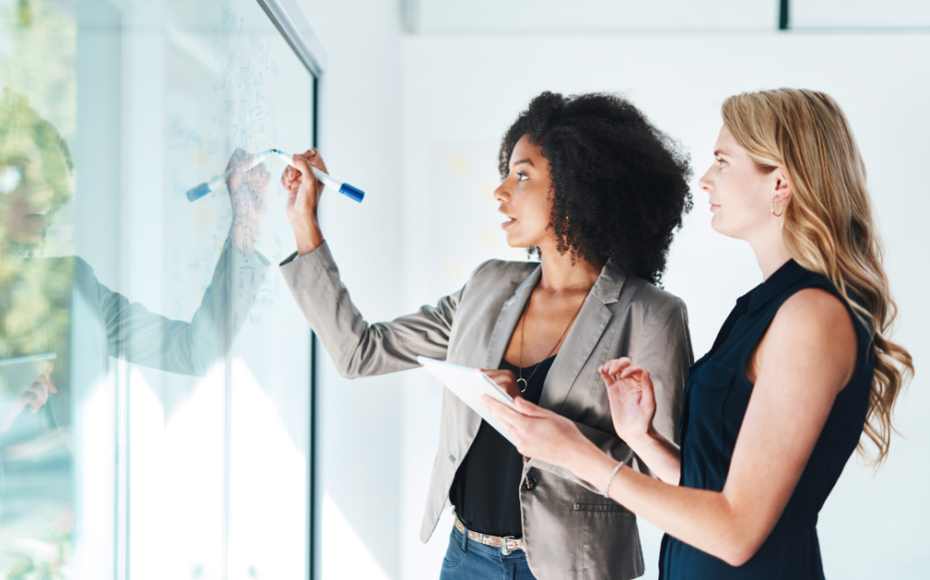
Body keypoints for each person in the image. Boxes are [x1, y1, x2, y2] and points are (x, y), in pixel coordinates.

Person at [483, 88, 915, 579]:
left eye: (723, 163)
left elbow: (734, 533)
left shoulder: (811, 317)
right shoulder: (764, 308)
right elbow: (713, 488)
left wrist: (577, 453)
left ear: (780, 183)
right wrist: (641, 439)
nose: (705, 180)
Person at [279, 91, 694, 580]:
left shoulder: (650, 315)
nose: (500, 192)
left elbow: (668, 483)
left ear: (583, 186)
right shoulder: (488, 286)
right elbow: (359, 352)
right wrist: (304, 221)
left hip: (571, 570)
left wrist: (528, 416)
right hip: (465, 559)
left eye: (523, 175)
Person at [0, 89, 271, 548]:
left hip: (69, 541)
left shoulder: (71, 285)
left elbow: (195, 350)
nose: (44, 192)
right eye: (25, 175)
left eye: (50, 177)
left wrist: (245, 225)